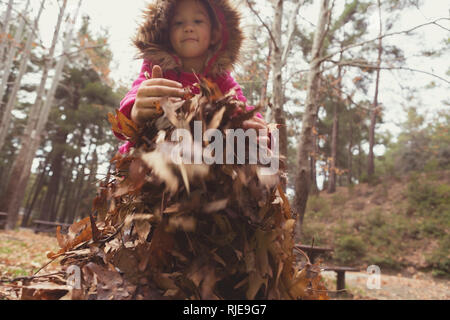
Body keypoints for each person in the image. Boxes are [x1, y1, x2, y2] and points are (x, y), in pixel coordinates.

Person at [115, 0, 269, 154]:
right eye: (178, 22)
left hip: (204, 165)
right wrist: (135, 111)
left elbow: (241, 111)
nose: (188, 28)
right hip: (148, 161)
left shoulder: (222, 81)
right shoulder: (156, 68)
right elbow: (131, 107)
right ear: (167, 34)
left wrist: (259, 131)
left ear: (215, 34)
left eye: (198, 21)